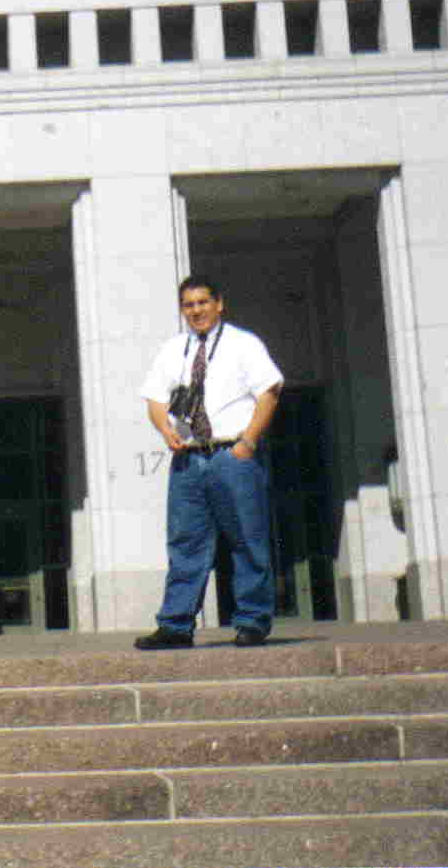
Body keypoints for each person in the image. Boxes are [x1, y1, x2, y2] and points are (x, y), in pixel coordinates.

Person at [134, 276, 283, 649]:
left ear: (219, 304)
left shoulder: (243, 344)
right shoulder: (174, 349)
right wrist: (164, 428)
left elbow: (269, 393)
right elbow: (155, 398)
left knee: (246, 538)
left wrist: (248, 442)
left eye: (203, 302)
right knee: (185, 542)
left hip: (231, 453)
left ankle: (252, 622)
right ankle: (175, 625)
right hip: (188, 458)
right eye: (189, 304)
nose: (196, 310)